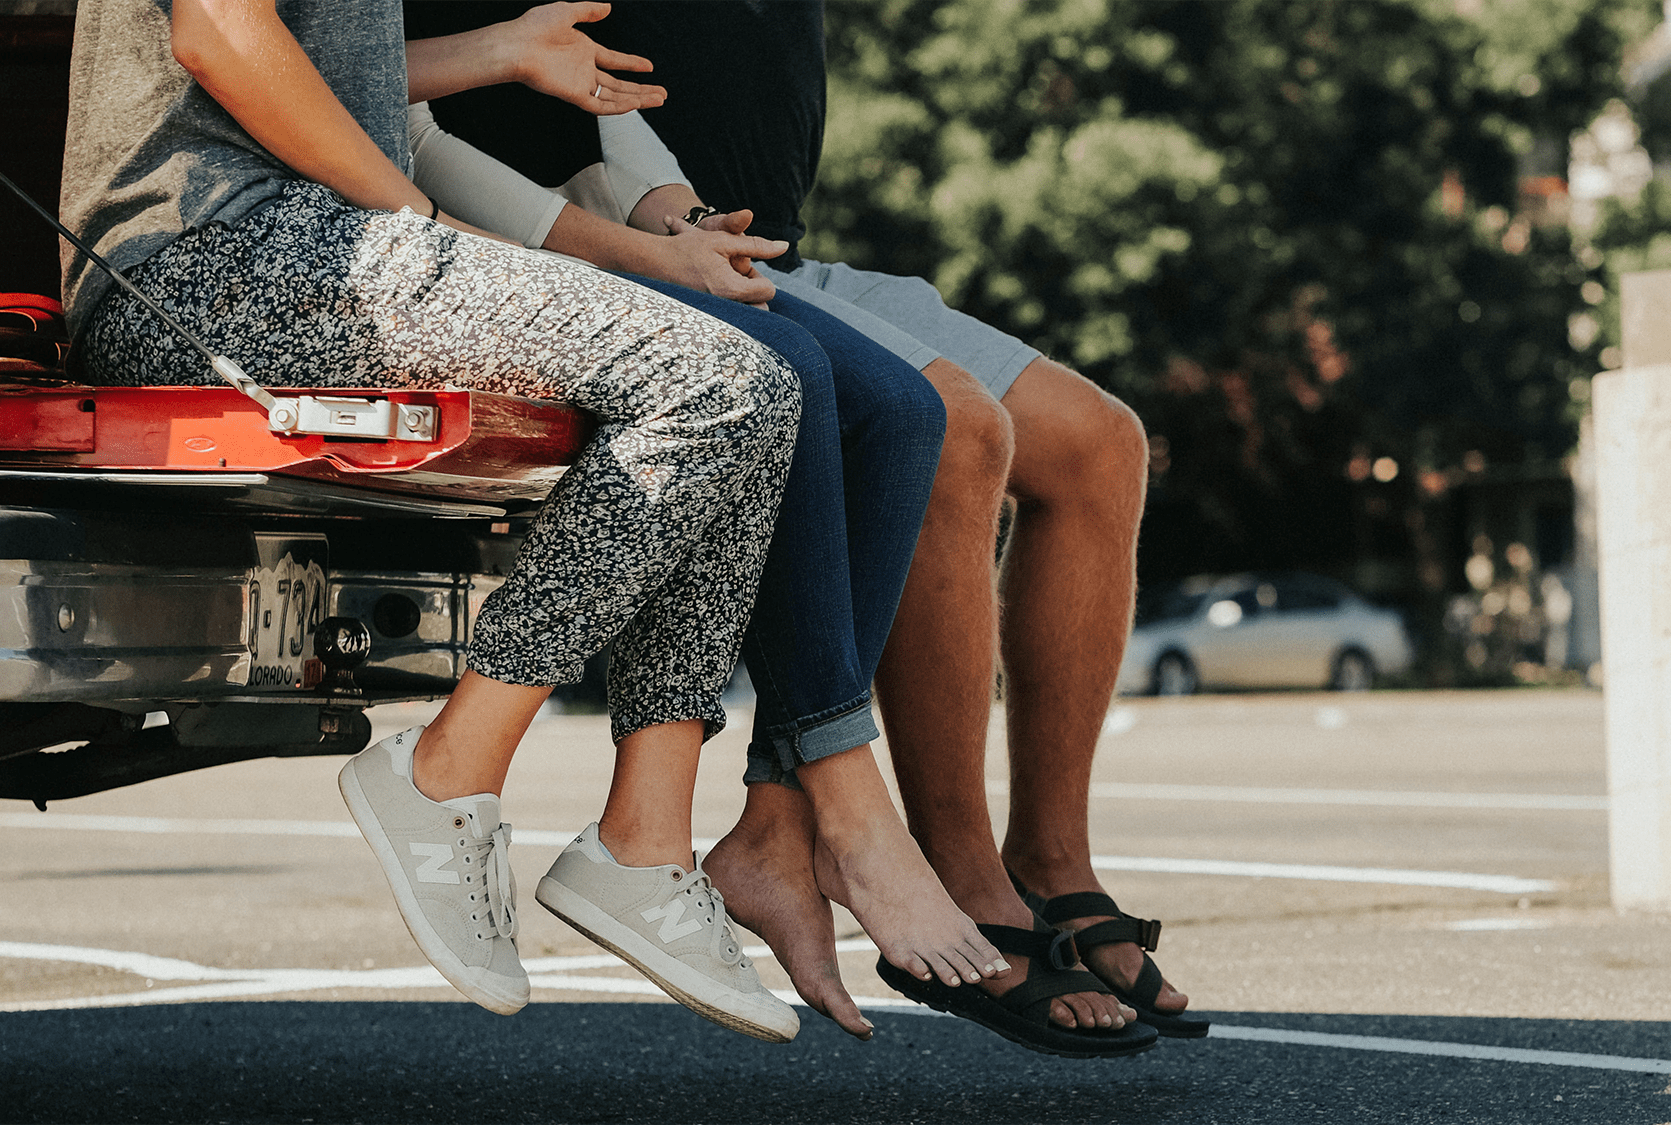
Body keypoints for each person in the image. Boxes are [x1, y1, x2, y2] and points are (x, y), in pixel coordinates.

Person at [398, 2, 1172, 1057]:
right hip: (557, 242)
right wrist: (632, 240)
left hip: (729, 235)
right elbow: (429, 119)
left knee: (1093, 445)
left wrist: (681, 217)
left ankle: (1042, 863)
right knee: (933, 422)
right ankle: (915, 851)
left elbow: (599, 102)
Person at [60, 0, 818, 1041]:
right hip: (208, 259)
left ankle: (645, 844)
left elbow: (340, 72)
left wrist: (497, 54)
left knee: (752, 389)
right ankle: (446, 771)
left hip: (316, 241)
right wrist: (408, 214)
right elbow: (217, 29)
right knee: (718, 382)